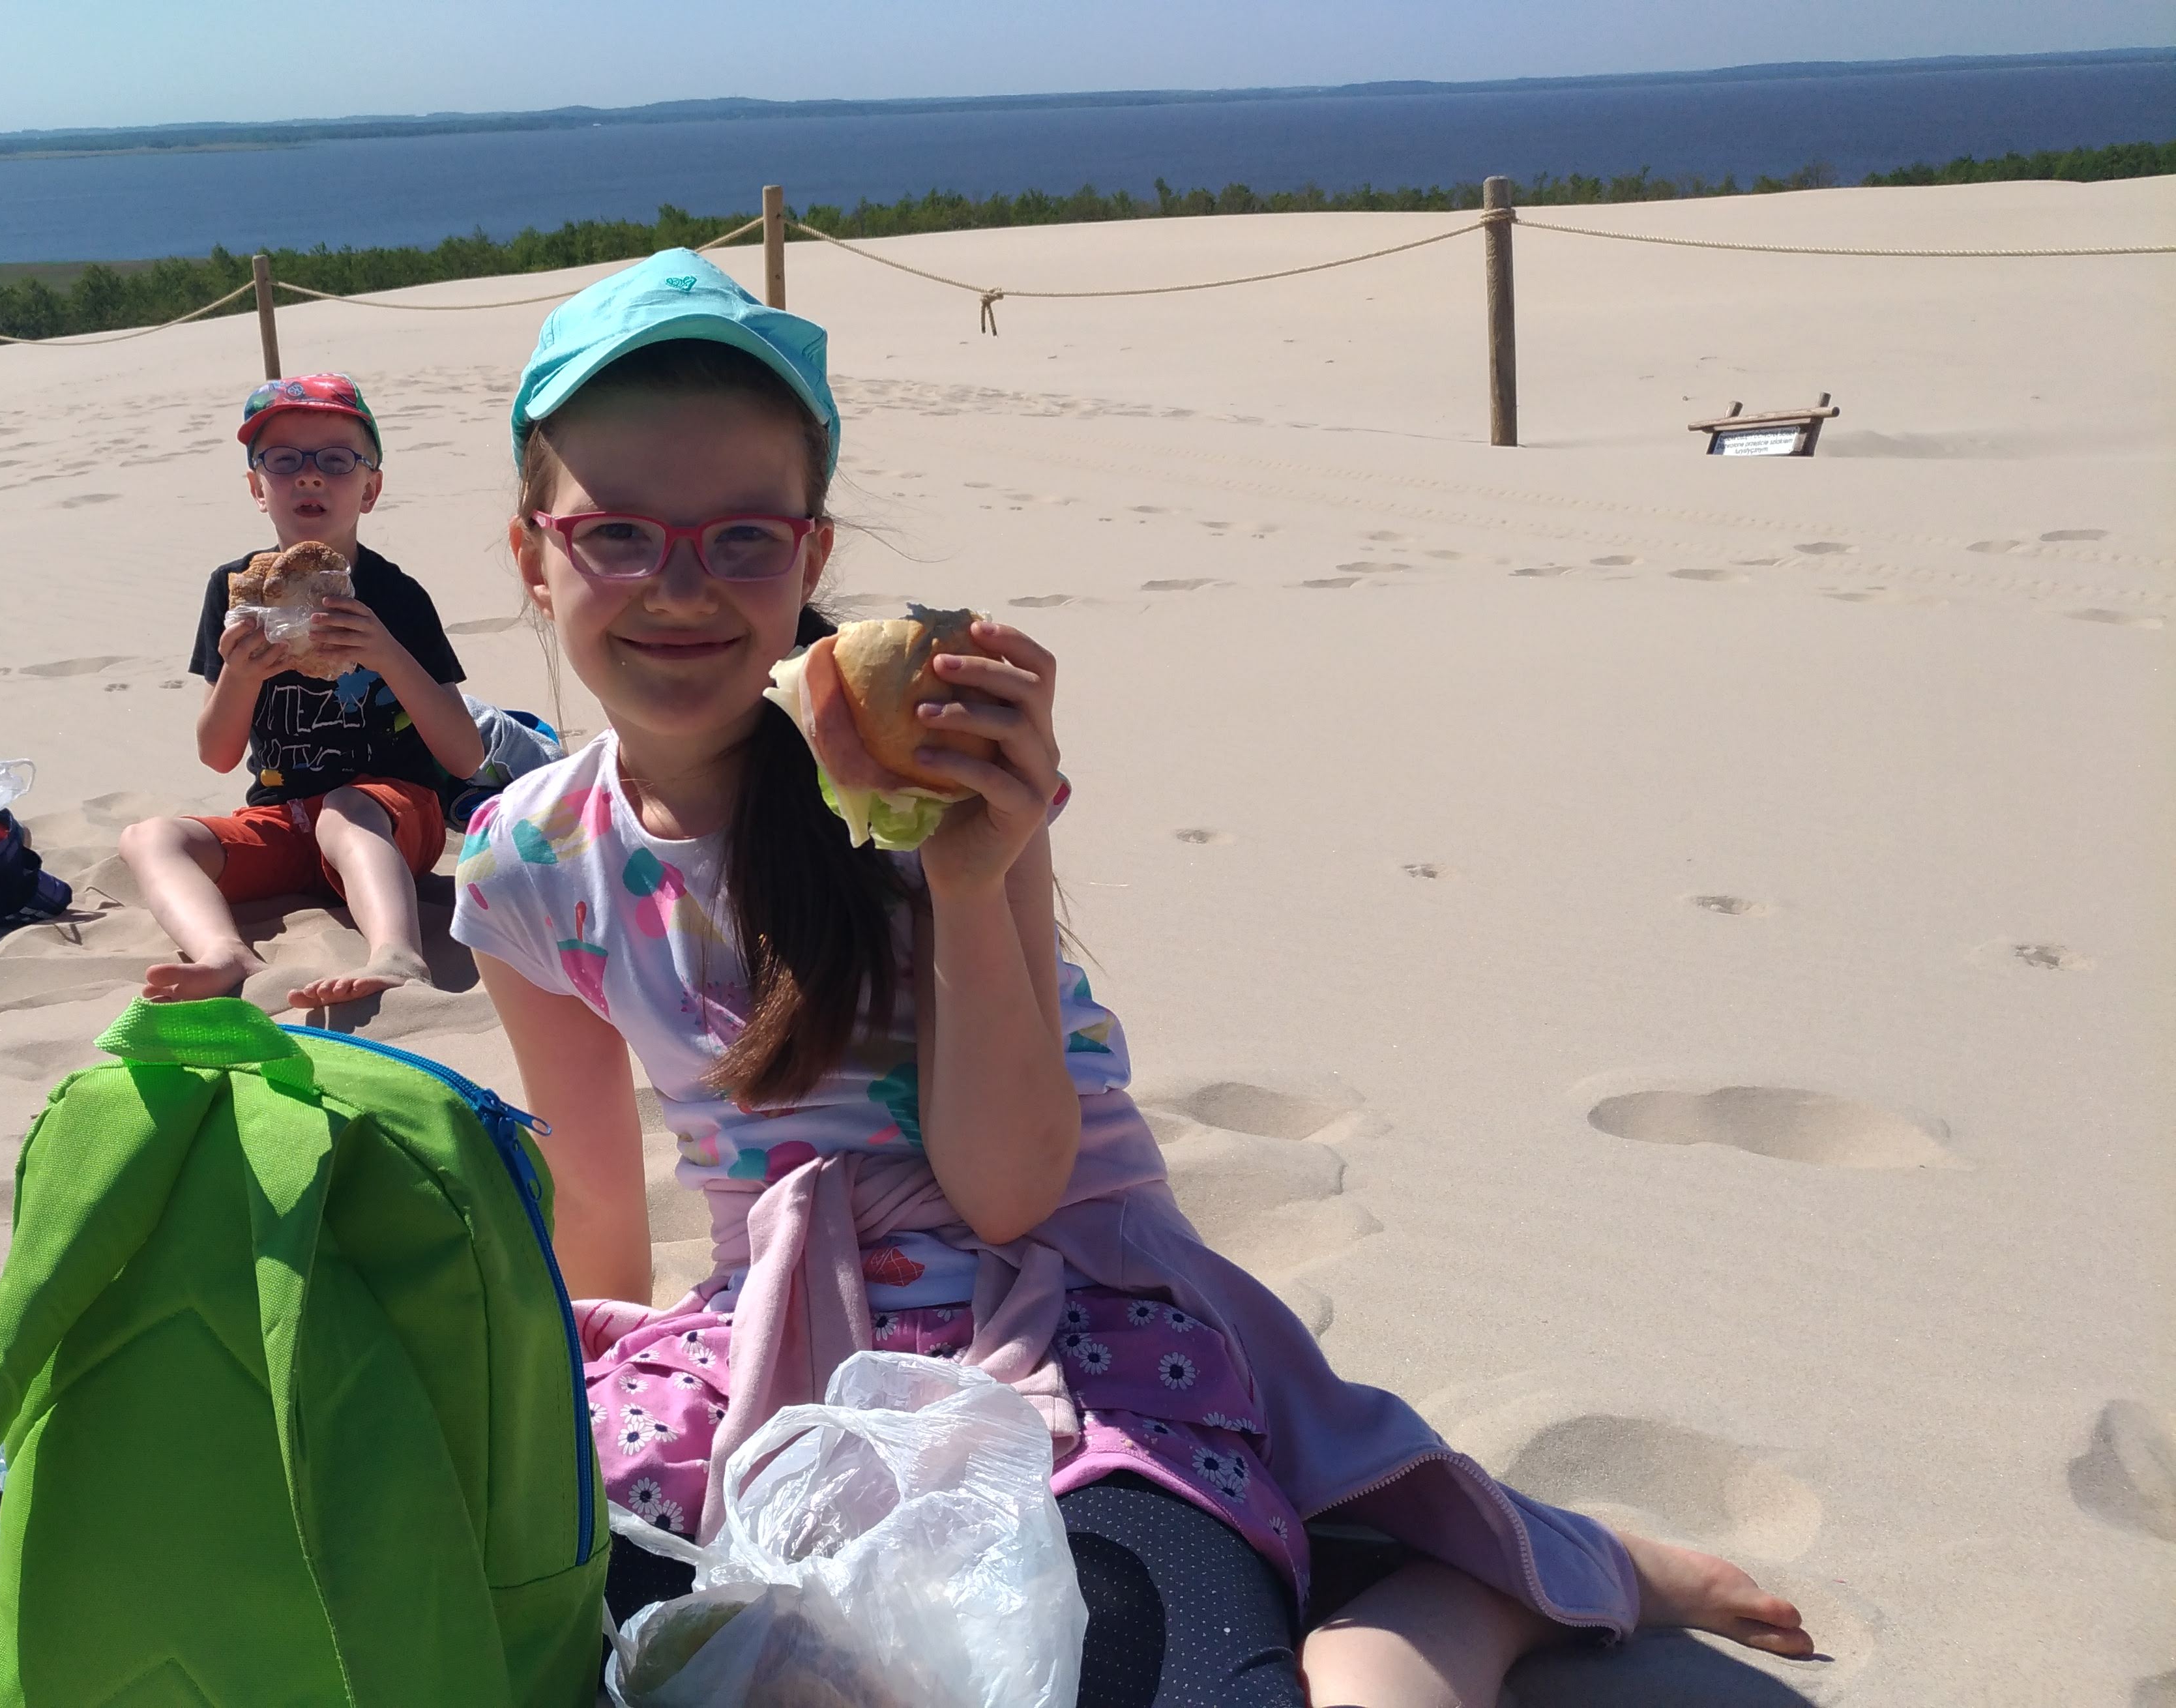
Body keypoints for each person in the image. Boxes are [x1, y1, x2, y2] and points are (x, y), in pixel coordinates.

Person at [449, 252, 1816, 1707]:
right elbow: (598, 1215)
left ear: (811, 552)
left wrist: (972, 877)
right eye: (616, 534)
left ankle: (1465, 1596)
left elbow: (1009, 1189)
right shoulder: (529, 859)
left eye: (740, 537)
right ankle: (1351, 1556)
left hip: (1068, 1320)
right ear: (534, 555)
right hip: (774, 1340)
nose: (678, 586)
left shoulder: (927, 777)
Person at [121, 374, 483, 1012]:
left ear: (370, 489)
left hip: (394, 817)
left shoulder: (396, 596)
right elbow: (217, 754)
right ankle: (223, 952)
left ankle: (397, 953)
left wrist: (385, 653)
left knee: (347, 805)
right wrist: (241, 675)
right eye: (284, 460)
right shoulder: (234, 590)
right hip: (286, 818)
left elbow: (464, 756)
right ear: (257, 488)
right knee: (149, 838)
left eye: (336, 460)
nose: (310, 476)